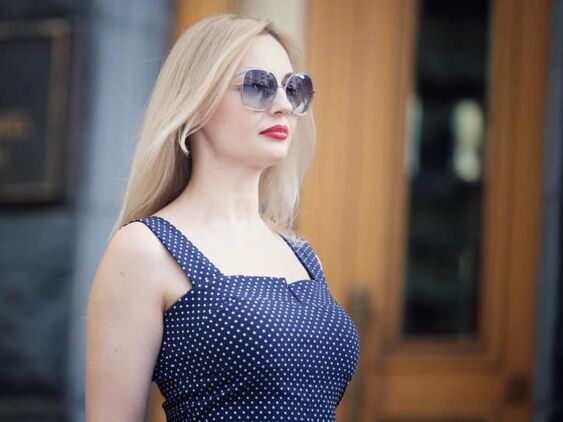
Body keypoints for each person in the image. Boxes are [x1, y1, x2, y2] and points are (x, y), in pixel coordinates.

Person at [85, 14, 360, 421]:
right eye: (258, 86)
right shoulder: (145, 249)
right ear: (196, 102)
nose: (283, 106)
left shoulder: (300, 254)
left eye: (293, 88)